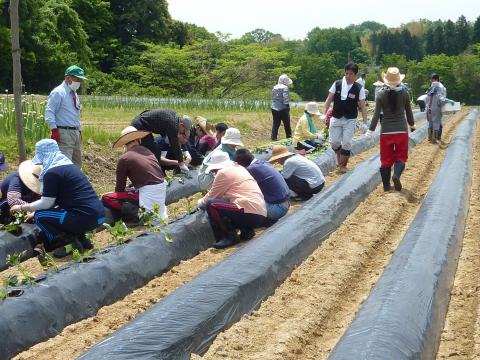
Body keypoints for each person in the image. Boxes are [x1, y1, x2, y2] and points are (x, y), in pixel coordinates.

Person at [10, 139, 105, 256]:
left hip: (84, 217)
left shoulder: (52, 173)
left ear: (44, 156)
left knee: (40, 216)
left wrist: (22, 207)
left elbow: (47, 203)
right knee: (51, 214)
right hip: (99, 215)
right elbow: (63, 200)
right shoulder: (70, 167)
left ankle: (63, 243)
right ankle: (81, 239)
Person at [197, 151, 267, 249]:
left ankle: (228, 236)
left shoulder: (223, 173)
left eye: (214, 171)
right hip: (260, 213)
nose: (214, 173)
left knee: (211, 205)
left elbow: (211, 197)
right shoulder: (239, 168)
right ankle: (247, 230)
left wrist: (199, 203)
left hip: (250, 212)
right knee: (232, 201)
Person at [366, 67, 415, 192]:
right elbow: (409, 112)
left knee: (386, 159)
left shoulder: (381, 94)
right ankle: (396, 175)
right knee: (400, 157)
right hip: (401, 131)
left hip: (386, 131)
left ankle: (386, 186)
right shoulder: (405, 93)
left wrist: (370, 131)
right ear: (399, 80)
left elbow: (376, 115)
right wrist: (412, 125)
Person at [109, 126, 167, 220]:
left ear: (125, 143)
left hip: (147, 195)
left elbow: (119, 188)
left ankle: (134, 214)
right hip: (161, 192)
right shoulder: (147, 151)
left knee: (107, 198)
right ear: (138, 139)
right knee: (130, 190)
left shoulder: (124, 158)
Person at [323, 63, 368, 173]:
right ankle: (340, 156)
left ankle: (343, 165)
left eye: (351, 74)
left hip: (350, 119)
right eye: (346, 73)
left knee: (347, 142)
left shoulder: (359, 88)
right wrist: (324, 113)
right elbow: (329, 99)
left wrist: (365, 122)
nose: (348, 76)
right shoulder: (337, 84)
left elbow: (362, 106)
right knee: (334, 142)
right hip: (336, 117)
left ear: (355, 75)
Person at [45, 65, 87, 168]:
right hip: (64, 132)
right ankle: (64, 184)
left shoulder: (74, 94)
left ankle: (73, 184)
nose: (79, 82)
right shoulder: (58, 92)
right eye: (77, 79)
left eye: (80, 79)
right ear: (68, 78)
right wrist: (54, 129)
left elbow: (75, 114)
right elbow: (49, 112)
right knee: (65, 164)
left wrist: (79, 130)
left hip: (75, 132)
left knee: (77, 164)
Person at [235, 148, 290, 222]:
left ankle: (262, 222)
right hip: (285, 204)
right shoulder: (262, 162)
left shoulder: (252, 169)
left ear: (242, 164)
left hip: (277, 209)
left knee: (243, 200)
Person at [426, 73, 454, 144]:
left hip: (429, 107)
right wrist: (449, 101)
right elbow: (441, 98)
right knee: (437, 123)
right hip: (436, 107)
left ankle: (430, 138)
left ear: (434, 79)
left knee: (430, 123)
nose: (431, 80)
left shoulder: (430, 87)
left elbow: (427, 97)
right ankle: (435, 139)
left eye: (431, 79)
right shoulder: (441, 87)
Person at [271, 74, 293, 141]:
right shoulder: (285, 88)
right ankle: (289, 137)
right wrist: (287, 107)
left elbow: (273, 97)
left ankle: (273, 137)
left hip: (274, 107)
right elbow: (285, 98)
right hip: (283, 108)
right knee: (287, 123)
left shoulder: (274, 87)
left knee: (276, 123)